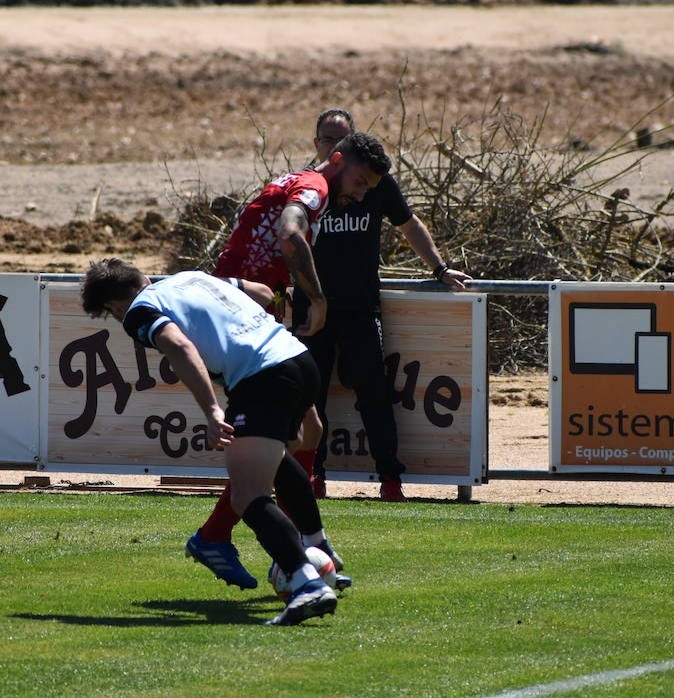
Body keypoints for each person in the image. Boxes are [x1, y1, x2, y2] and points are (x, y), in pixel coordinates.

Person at [183, 131, 393, 589]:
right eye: (359, 183)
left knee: (307, 430)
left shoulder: (301, 181)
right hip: (240, 320)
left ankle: (277, 537)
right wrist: (318, 300)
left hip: (250, 311)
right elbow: (290, 235)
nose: (359, 195)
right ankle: (223, 537)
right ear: (336, 160)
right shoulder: (315, 189)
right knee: (270, 446)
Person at [81, 258, 341, 624]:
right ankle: (318, 547)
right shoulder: (189, 277)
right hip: (297, 357)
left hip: (262, 377)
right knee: (277, 459)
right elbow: (265, 293)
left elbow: (179, 346)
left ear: (114, 306)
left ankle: (307, 584)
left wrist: (212, 410)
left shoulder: (139, 311)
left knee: (249, 494)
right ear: (145, 277)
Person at [294, 108, 472, 502]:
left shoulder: (375, 182)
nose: (334, 147)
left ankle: (390, 481)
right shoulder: (306, 188)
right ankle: (312, 478)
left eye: (342, 139)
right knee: (310, 396)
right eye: (327, 139)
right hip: (311, 312)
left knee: (374, 393)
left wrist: (440, 269)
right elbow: (284, 241)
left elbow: (408, 224)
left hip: (361, 310)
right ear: (317, 143)